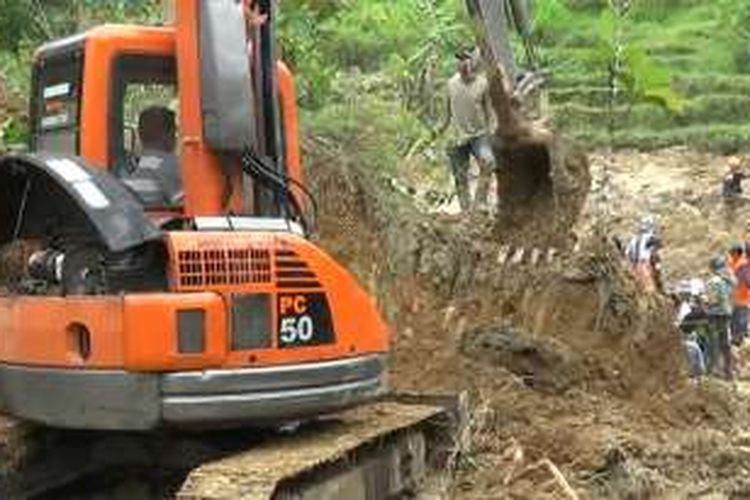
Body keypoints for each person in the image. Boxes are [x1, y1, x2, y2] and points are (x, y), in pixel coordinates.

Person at [440, 47, 497, 212]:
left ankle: (479, 203)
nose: (462, 63)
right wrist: (438, 133)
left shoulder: (483, 84)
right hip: (457, 136)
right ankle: (466, 210)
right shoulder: (450, 84)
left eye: (466, 59)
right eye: (459, 60)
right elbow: (446, 115)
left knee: (488, 162)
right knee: (460, 176)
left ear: (473, 63)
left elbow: (489, 112)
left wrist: (491, 131)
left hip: (479, 135)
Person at [123, 106, 183, 207]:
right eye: (175, 132)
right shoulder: (169, 164)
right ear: (168, 135)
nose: (176, 137)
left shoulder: (128, 163)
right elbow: (186, 205)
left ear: (140, 133)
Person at [705, 256, 735, 379]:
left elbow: (712, 300)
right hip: (727, 313)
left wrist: (704, 300)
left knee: (713, 342)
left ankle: (713, 370)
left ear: (712, 268)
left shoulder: (713, 281)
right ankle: (728, 371)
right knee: (725, 342)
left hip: (714, 314)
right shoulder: (729, 281)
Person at [625, 216, 662, 292]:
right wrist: (657, 269)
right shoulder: (651, 238)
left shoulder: (633, 239)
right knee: (650, 290)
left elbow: (627, 254)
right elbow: (654, 255)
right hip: (645, 265)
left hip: (634, 266)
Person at [728, 243, 750, 346]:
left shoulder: (740, 264)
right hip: (737, 299)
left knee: (739, 323)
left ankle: (739, 342)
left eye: (732, 252)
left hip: (739, 298)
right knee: (738, 323)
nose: (730, 254)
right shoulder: (739, 264)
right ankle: (738, 343)